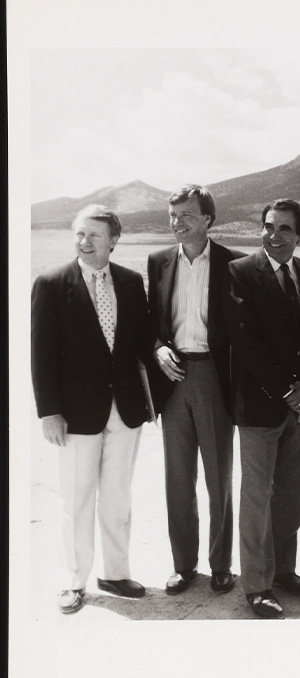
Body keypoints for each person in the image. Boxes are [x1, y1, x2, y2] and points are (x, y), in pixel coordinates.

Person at [31, 205, 152, 614]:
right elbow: (41, 354)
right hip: (76, 414)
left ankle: (116, 573)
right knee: (77, 498)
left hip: (126, 410)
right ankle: (74, 580)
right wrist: (49, 411)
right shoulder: (50, 284)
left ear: (113, 241)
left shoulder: (132, 283)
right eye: (80, 234)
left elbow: (142, 343)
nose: (84, 242)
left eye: (94, 236)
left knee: (117, 497)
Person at [223, 199, 300, 619]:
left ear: (299, 236)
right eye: (268, 226)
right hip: (262, 406)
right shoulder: (241, 272)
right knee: (258, 498)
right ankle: (258, 586)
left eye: (284, 229)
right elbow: (244, 341)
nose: (274, 235)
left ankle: (283, 569)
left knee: (293, 496)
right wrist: (288, 390)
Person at [147, 184, 243, 595]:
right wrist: (158, 349)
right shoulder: (158, 262)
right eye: (172, 216)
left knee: (218, 476)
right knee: (177, 478)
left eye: (186, 216)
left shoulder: (233, 264)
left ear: (207, 219)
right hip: (173, 379)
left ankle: (221, 564)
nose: (177, 224)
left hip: (213, 379)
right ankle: (183, 565)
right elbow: (152, 322)